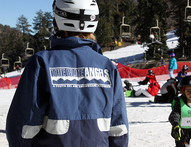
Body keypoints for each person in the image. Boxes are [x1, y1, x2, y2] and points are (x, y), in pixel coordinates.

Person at [6, 1, 129, 147]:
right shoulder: (107, 66)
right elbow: (119, 128)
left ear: (58, 19)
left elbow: (23, 124)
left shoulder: (42, 62)